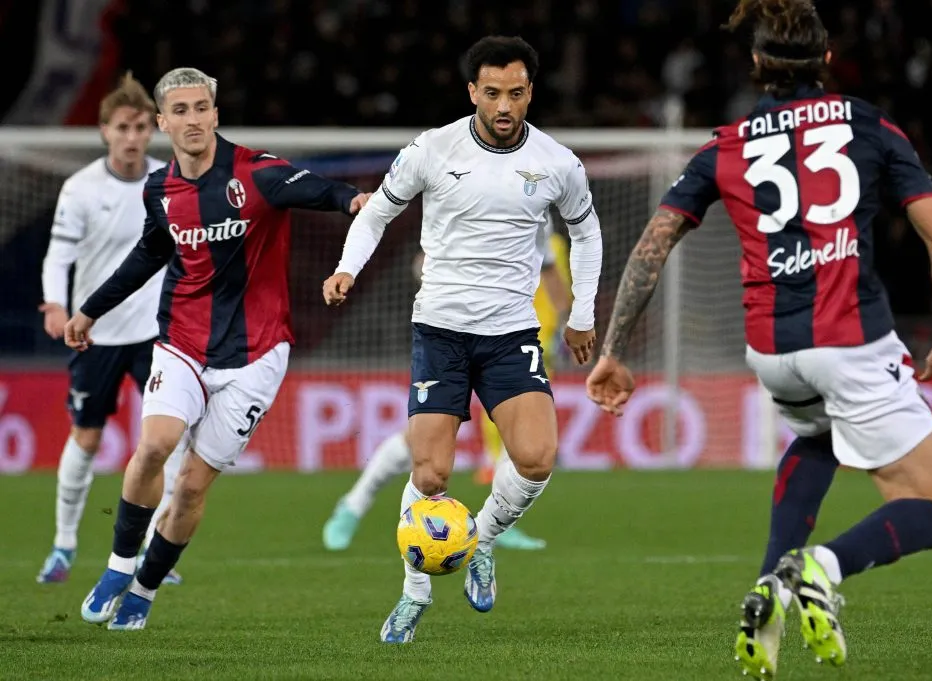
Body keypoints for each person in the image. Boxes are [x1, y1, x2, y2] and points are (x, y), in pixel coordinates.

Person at [585, 0, 932, 677]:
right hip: (850, 338)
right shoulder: (869, 124)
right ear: (827, 58)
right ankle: (820, 566)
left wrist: (615, 348)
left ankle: (768, 584)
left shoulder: (725, 145)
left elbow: (655, 242)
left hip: (773, 352)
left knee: (819, 437)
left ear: (757, 65)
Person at [64, 66, 371, 631]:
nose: (192, 119)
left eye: (200, 108)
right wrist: (90, 310)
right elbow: (147, 256)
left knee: (190, 488)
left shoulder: (258, 173)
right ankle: (117, 564)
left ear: (215, 113)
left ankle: (146, 590)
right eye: (179, 111)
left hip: (257, 356)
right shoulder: (160, 190)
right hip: (182, 342)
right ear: (163, 122)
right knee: (154, 446)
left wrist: (356, 203)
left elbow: (325, 191)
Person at [323, 35, 602, 644]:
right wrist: (349, 267)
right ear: (473, 91)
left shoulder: (557, 163)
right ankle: (413, 592)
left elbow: (587, 234)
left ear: (532, 91)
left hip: (511, 332)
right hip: (441, 330)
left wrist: (581, 312)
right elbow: (378, 211)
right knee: (430, 475)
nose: (505, 105)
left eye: (517, 93)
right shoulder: (431, 149)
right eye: (494, 92)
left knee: (536, 457)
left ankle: (482, 541)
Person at [322, 214, 572, 553]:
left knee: (515, 441)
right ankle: (354, 504)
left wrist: (563, 330)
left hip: (520, 347)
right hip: (454, 338)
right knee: (422, 441)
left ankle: (497, 524)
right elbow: (423, 261)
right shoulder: (464, 208)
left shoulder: (542, 229)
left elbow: (555, 283)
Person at [37, 72, 186, 586]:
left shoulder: (170, 181)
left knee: (164, 440)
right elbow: (60, 255)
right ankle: (63, 544)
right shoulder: (80, 189)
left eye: (142, 127)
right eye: (123, 126)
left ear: (154, 130)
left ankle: (152, 553)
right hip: (96, 333)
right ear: (104, 130)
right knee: (86, 435)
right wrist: (56, 305)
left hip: (157, 334)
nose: (132, 137)